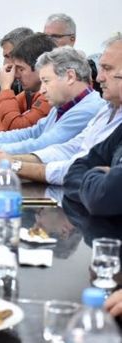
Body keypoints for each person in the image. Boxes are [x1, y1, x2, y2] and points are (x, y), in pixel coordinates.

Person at [0, 36, 122, 184]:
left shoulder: (89, 109)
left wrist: (12, 163)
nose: (99, 78)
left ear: (70, 76)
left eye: (46, 81)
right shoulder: (99, 110)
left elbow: (47, 146)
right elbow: (54, 143)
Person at [0, 46, 104, 155]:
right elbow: (32, 133)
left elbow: (41, 146)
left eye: (46, 81)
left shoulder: (86, 110)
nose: (41, 90)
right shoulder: (64, 105)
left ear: (70, 77)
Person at [63, 35, 122, 216]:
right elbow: (74, 172)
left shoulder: (90, 106)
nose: (99, 78)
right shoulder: (110, 115)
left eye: (107, 68)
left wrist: (97, 176)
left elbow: (104, 197)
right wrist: (101, 175)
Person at [44, 13, 101, 93]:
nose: (48, 41)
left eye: (55, 37)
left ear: (72, 38)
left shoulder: (88, 71)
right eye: (45, 37)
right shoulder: (38, 69)